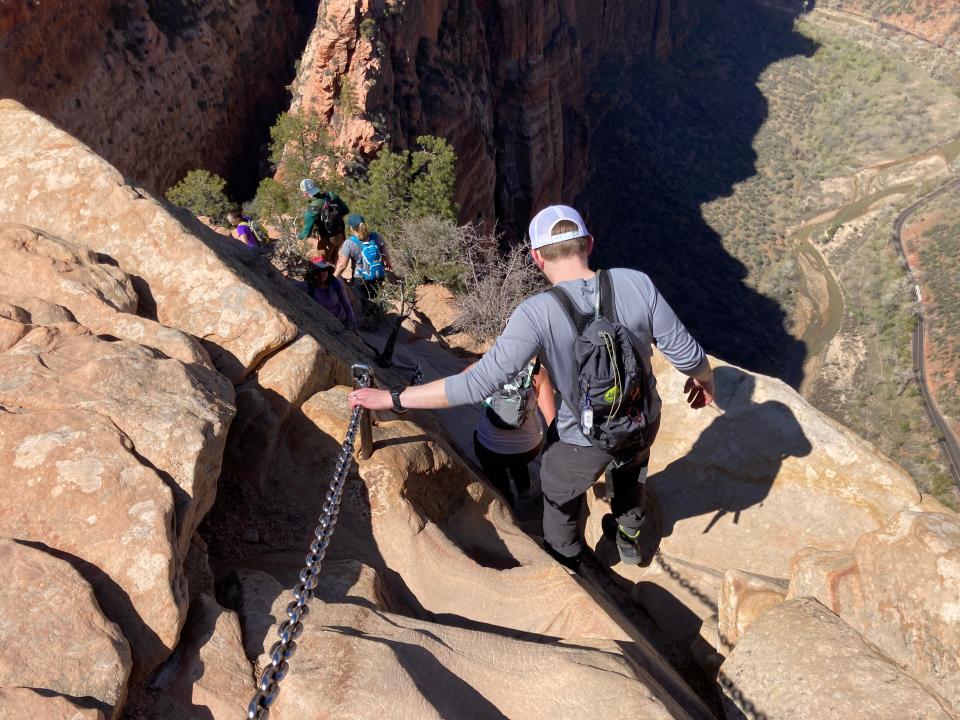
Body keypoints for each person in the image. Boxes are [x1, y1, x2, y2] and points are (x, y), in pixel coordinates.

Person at [349, 204, 715, 571]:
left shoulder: (536, 313)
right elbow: (688, 356)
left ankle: (569, 559)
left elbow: (476, 384)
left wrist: (394, 397)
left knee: (558, 494)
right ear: (588, 243)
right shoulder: (637, 282)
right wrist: (705, 380)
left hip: (580, 441)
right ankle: (629, 537)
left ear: (537, 257)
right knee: (630, 470)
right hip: (641, 418)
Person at [472, 357, 556, 509]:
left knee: (490, 459)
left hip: (490, 449)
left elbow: (460, 382)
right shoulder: (538, 373)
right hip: (528, 449)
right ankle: (525, 491)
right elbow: (552, 420)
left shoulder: (484, 367)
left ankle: (506, 503)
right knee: (518, 456)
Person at [334, 213, 393, 300]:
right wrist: (389, 264)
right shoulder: (377, 236)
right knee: (377, 299)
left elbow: (343, 265)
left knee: (363, 303)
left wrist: (334, 276)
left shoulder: (349, 243)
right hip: (378, 275)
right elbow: (385, 255)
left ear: (351, 228)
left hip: (361, 278)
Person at [299, 256, 358, 330]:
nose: (322, 273)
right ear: (314, 274)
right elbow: (293, 286)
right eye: (319, 271)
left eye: (325, 270)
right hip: (323, 324)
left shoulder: (336, 283)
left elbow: (346, 305)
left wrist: (352, 322)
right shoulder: (310, 286)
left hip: (341, 322)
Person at [298, 179, 350, 259]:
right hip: (340, 236)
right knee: (334, 260)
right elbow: (346, 210)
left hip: (327, 240)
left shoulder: (312, 208)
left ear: (305, 193)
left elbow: (306, 233)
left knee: (323, 265)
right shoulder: (331, 195)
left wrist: (298, 236)